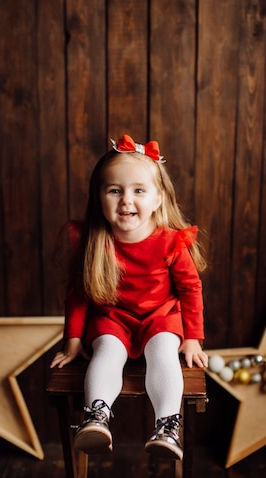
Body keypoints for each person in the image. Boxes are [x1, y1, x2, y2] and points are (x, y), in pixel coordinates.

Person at [50, 134, 208, 461]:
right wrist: (74, 341)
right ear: (99, 197)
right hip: (113, 319)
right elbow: (78, 294)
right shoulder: (94, 242)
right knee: (106, 352)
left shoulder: (170, 243)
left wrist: (193, 337)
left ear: (158, 198)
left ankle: (167, 425)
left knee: (163, 350)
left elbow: (191, 290)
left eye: (138, 190)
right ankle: (96, 416)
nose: (126, 200)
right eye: (114, 190)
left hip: (160, 317)